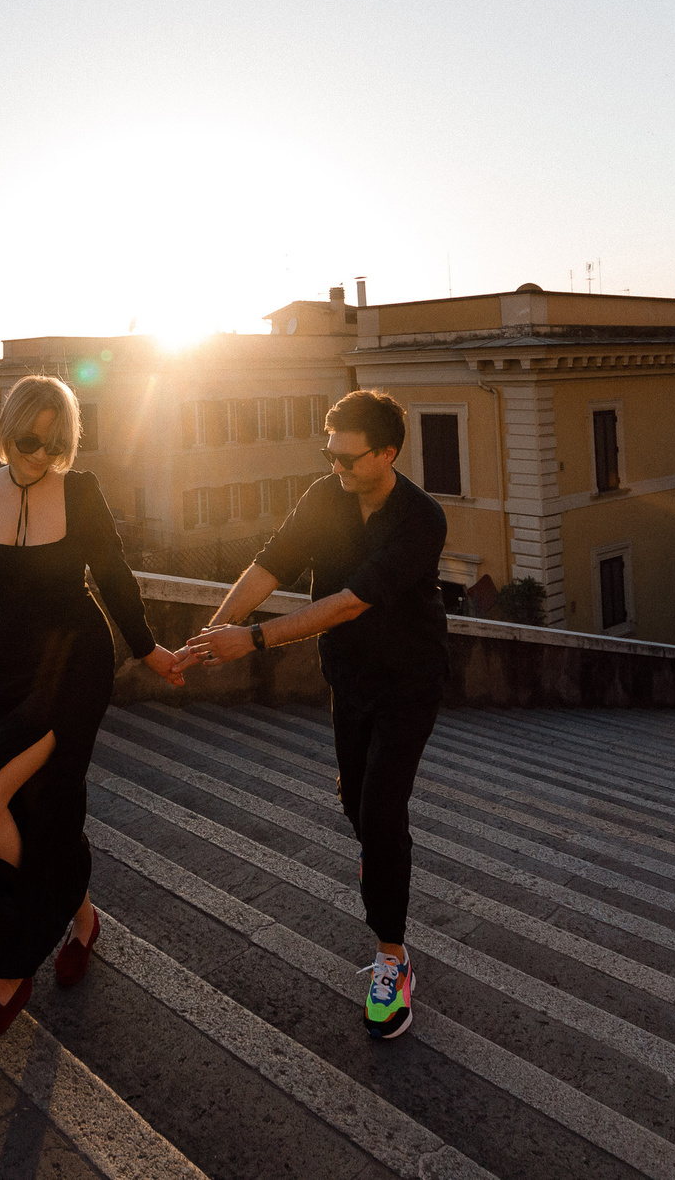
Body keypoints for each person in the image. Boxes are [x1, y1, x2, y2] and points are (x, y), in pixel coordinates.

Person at [0, 375, 190, 1046]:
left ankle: (9, 968)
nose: (41, 452)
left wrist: (148, 648)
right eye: (30, 438)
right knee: (37, 812)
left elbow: (114, 576)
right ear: (9, 428)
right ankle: (79, 919)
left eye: (57, 442)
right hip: (12, 666)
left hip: (76, 665)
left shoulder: (80, 492)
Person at [180, 389, 448, 1043]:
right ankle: (380, 863)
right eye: (329, 454)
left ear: (386, 453)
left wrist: (258, 640)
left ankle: (393, 960)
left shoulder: (421, 518)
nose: (337, 468)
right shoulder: (324, 496)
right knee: (360, 809)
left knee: (383, 812)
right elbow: (271, 562)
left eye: (349, 458)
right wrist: (213, 630)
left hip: (409, 681)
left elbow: (353, 601)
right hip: (348, 678)